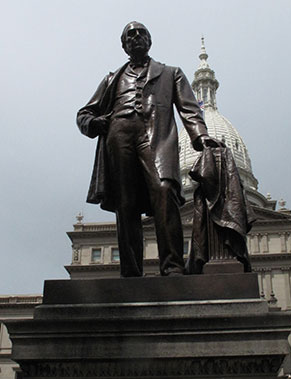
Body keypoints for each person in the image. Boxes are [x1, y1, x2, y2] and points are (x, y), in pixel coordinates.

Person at [77, 21, 219, 277]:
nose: (136, 37)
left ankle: (172, 267)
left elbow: (189, 109)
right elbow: (84, 113)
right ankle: (131, 273)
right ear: (124, 45)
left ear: (150, 40)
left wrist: (201, 137)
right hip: (118, 140)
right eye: (130, 35)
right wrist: (93, 123)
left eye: (141, 33)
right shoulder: (112, 79)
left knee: (165, 191)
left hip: (157, 139)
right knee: (126, 204)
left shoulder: (170, 73)